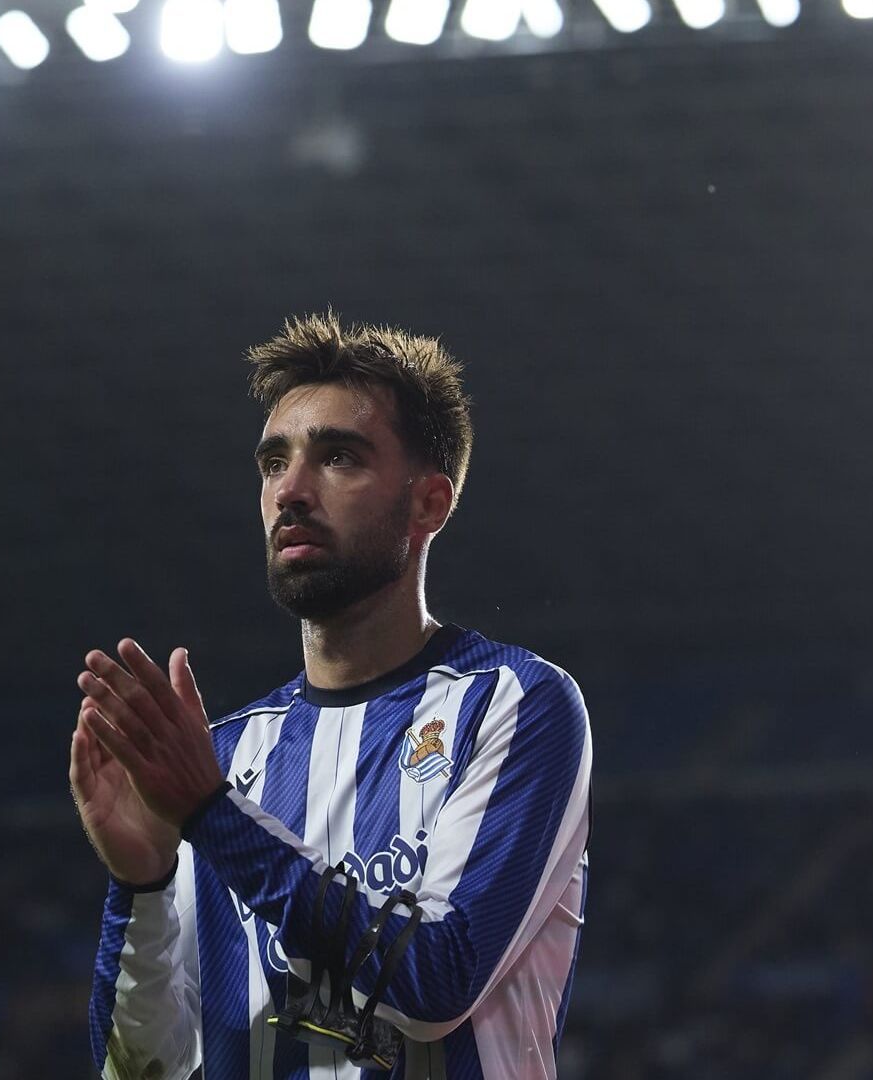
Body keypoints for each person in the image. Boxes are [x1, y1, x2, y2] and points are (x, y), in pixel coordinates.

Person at [69, 312, 592, 1078]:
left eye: (338, 457)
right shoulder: (222, 754)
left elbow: (435, 983)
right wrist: (140, 886)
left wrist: (215, 817)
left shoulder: (514, 704)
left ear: (429, 505)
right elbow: (143, 1069)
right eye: (273, 462)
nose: (291, 491)